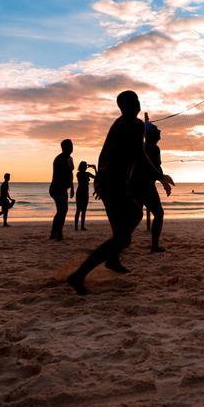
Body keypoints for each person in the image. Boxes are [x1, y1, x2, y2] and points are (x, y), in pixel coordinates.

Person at [67, 91, 173, 295]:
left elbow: (104, 154)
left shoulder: (118, 123)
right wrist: (160, 176)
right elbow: (140, 157)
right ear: (125, 106)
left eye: (137, 100)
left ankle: (113, 259)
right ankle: (79, 276)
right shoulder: (134, 125)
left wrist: (99, 181)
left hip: (109, 182)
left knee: (125, 230)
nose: (138, 103)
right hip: (113, 183)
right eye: (134, 101)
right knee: (127, 229)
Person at [135, 119, 169, 252]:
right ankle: (154, 246)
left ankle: (119, 243)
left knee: (135, 216)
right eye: (156, 130)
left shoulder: (144, 146)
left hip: (136, 185)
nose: (159, 131)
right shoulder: (153, 148)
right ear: (150, 135)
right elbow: (153, 169)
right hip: (145, 186)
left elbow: (155, 168)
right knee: (159, 213)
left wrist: (163, 180)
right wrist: (164, 181)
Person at [49, 139, 75, 240]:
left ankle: (56, 232)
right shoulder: (59, 159)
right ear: (64, 148)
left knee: (62, 211)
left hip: (64, 189)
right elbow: (60, 176)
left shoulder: (70, 158)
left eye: (72, 146)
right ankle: (57, 233)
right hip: (57, 188)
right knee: (62, 211)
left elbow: (70, 174)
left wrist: (72, 187)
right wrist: (66, 187)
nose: (72, 148)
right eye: (69, 146)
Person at [74, 161, 96, 231]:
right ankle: (80, 227)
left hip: (81, 192)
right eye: (85, 166)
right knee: (82, 210)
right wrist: (95, 169)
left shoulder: (78, 174)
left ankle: (78, 227)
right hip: (83, 192)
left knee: (80, 210)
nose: (86, 167)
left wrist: (94, 168)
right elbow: (97, 177)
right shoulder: (85, 174)